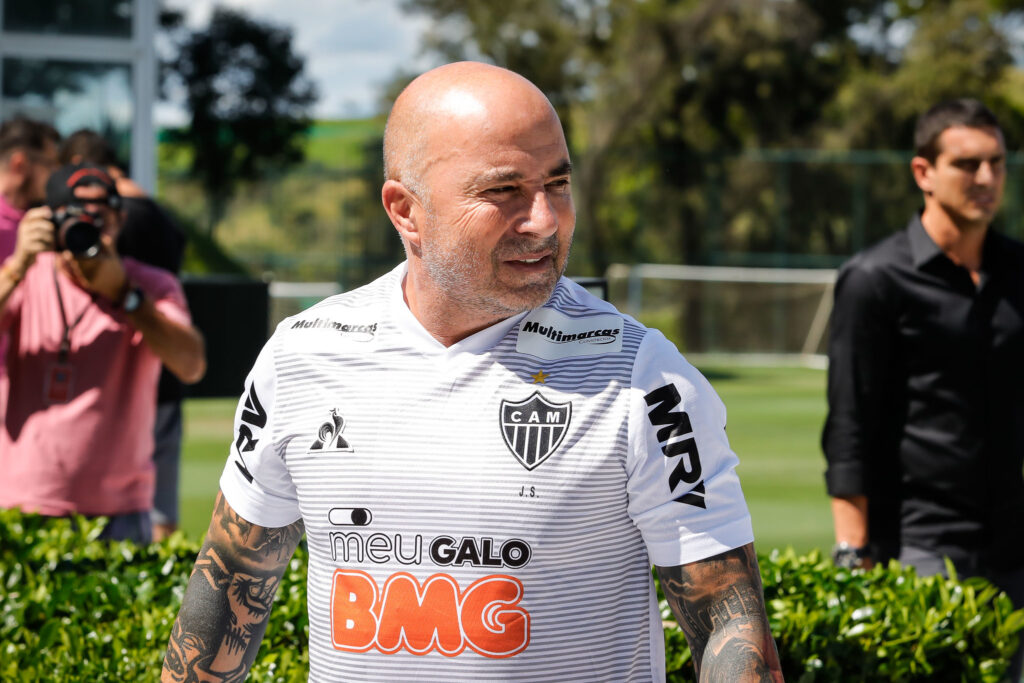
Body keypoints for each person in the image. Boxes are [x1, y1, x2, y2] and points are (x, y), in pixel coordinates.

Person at [162, 62, 781, 682]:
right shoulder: (302, 356)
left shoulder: (644, 377)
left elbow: (730, 631)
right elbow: (230, 580)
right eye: (504, 190)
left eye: (558, 183)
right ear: (405, 210)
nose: (545, 219)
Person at [822, 99, 1024, 679]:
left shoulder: (1019, 272)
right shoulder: (874, 279)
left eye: (996, 163)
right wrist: (852, 555)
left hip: (1013, 547)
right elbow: (849, 426)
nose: (986, 178)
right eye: (967, 164)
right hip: (919, 547)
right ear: (923, 172)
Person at [0, 162, 206, 544]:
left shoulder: (150, 285)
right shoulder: (26, 276)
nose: (91, 228)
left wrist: (126, 295)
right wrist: (16, 265)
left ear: (121, 219)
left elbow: (191, 365)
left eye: (102, 217)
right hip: (23, 503)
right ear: (49, 220)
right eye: (77, 216)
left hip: (120, 511)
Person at [59, 129, 191, 541]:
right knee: (161, 508)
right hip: (165, 364)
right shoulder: (160, 215)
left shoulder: (108, 217)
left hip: (120, 374)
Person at [0, 117, 61, 422]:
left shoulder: (38, 222)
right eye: (49, 165)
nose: (54, 177)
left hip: (24, 403)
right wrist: (17, 266)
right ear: (21, 163)